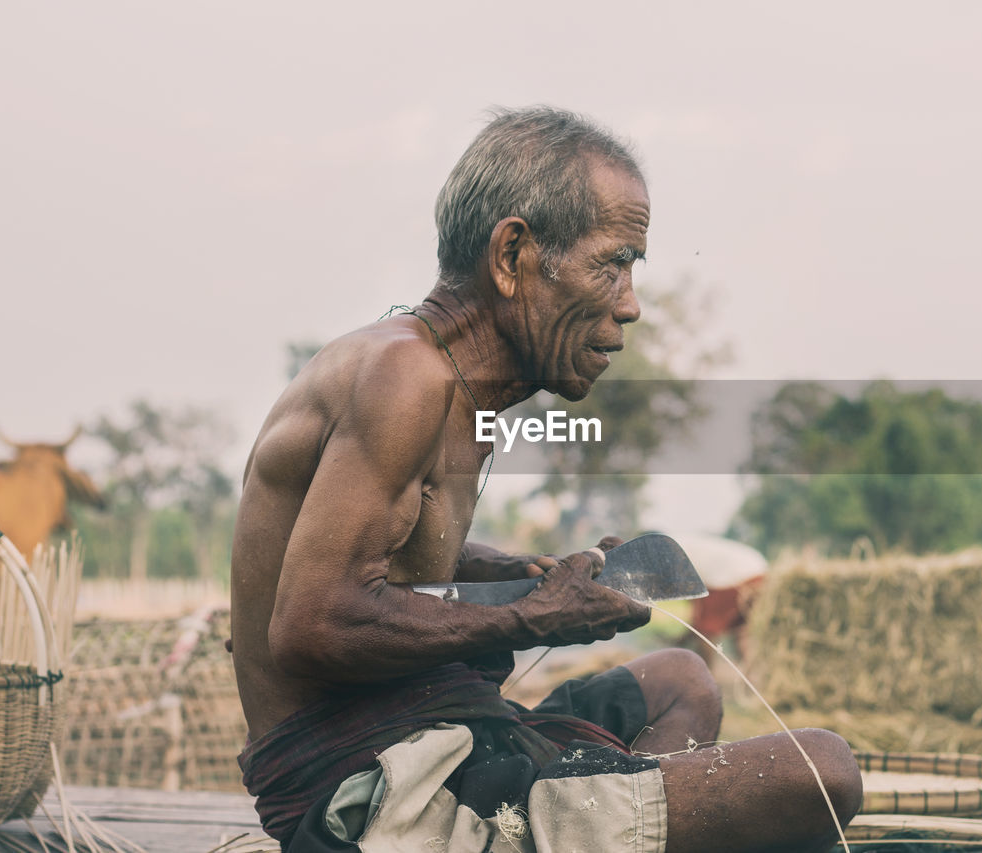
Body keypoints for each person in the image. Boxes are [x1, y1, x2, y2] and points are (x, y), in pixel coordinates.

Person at [230, 106, 861, 853]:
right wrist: (531, 618)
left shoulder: (450, 386)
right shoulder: (406, 376)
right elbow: (311, 623)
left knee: (682, 679)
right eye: (611, 263)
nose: (628, 304)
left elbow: (388, 547)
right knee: (822, 771)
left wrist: (523, 576)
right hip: (381, 797)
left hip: (442, 738)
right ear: (512, 255)